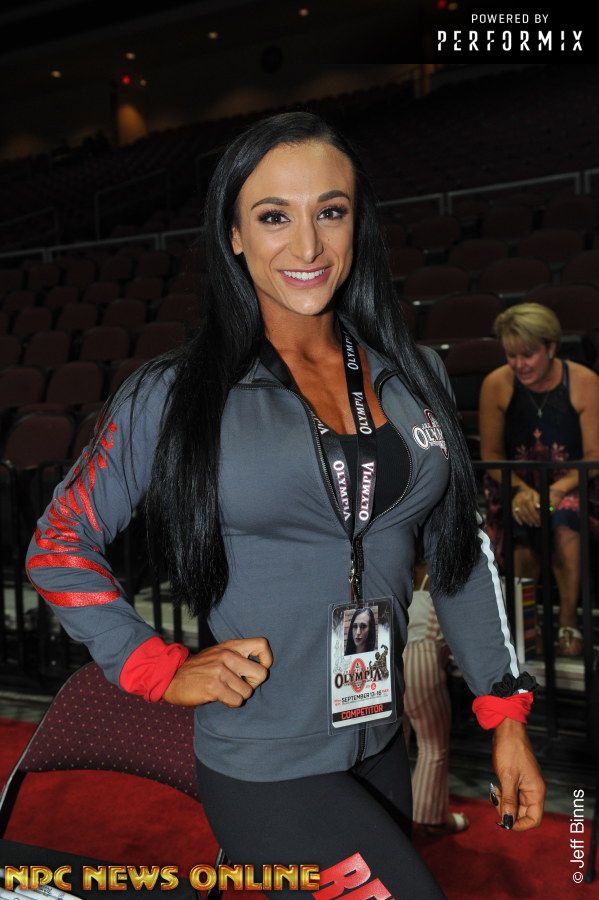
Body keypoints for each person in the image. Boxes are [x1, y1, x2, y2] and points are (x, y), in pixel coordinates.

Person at [27, 112, 545, 899]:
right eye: (274, 216)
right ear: (234, 234)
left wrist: (503, 710)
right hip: (266, 763)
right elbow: (59, 542)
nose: (307, 246)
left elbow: (457, 555)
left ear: (356, 223)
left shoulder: (416, 375)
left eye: (329, 211)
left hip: (379, 742)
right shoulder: (174, 392)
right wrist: (152, 665)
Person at [479, 303, 599, 658]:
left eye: (528, 355)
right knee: (520, 521)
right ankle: (524, 626)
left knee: (564, 518)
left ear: (550, 347)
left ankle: (567, 621)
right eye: (511, 355)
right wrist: (521, 491)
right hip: (517, 485)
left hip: (573, 484)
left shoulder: (584, 382)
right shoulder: (496, 384)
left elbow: (594, 456)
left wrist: (555, 490)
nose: (519, 365)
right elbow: (491, 456)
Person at [403, 560, 469, 837]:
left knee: (395, 744)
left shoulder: (400, 570)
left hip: (390, 659)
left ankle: (395, 813)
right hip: (423, 661)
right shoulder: (442, 574)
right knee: (433, 745)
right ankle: (429, 818)